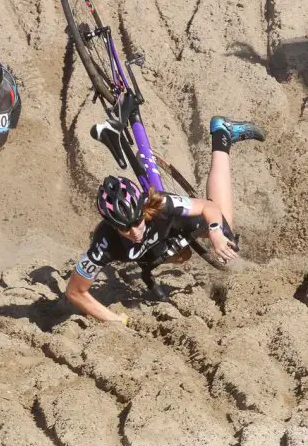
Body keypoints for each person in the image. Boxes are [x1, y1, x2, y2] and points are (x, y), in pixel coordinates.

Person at [65, 116, 265, 324]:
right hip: (151, 246)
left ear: (144, 208)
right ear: (112, 226)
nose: (133, 231)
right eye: (124, 228)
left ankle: (222, 135)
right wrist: (116, 320)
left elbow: (208, 207)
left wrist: (215, 232)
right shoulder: (103, 243)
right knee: (180, 256)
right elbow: (75, 292)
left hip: (173, 223)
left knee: (224, 231)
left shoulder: (160, 203)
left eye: (136, 221)